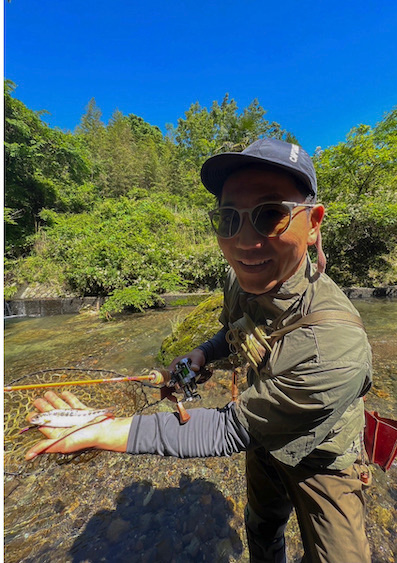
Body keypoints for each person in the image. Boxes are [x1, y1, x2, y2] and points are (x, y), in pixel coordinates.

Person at [26, 138, 373, 563]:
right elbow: (232, 334)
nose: (244, 242)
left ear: (314, 222)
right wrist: (202, 358)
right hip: (263, 434)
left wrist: (105, 431)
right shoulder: (240, 279)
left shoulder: (336, 345)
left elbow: (230, 429)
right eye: (229, 219)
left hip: (323, 454)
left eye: (270, 216)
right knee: (262, 527)